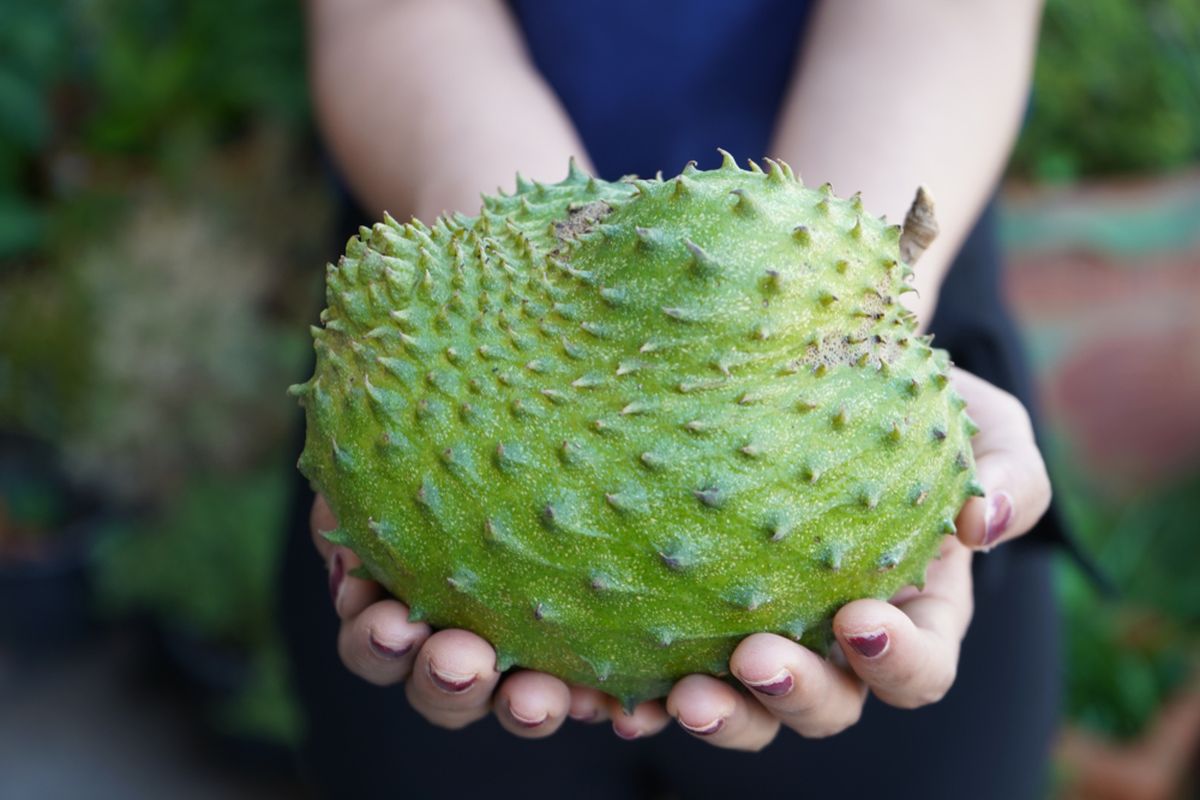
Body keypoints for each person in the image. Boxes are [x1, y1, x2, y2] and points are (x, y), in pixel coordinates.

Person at [282, 1, 1060, 796]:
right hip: (441, 236)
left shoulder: (874, 395)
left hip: (878, 200)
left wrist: (851, 299)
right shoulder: (414, 341)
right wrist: (530, 230)